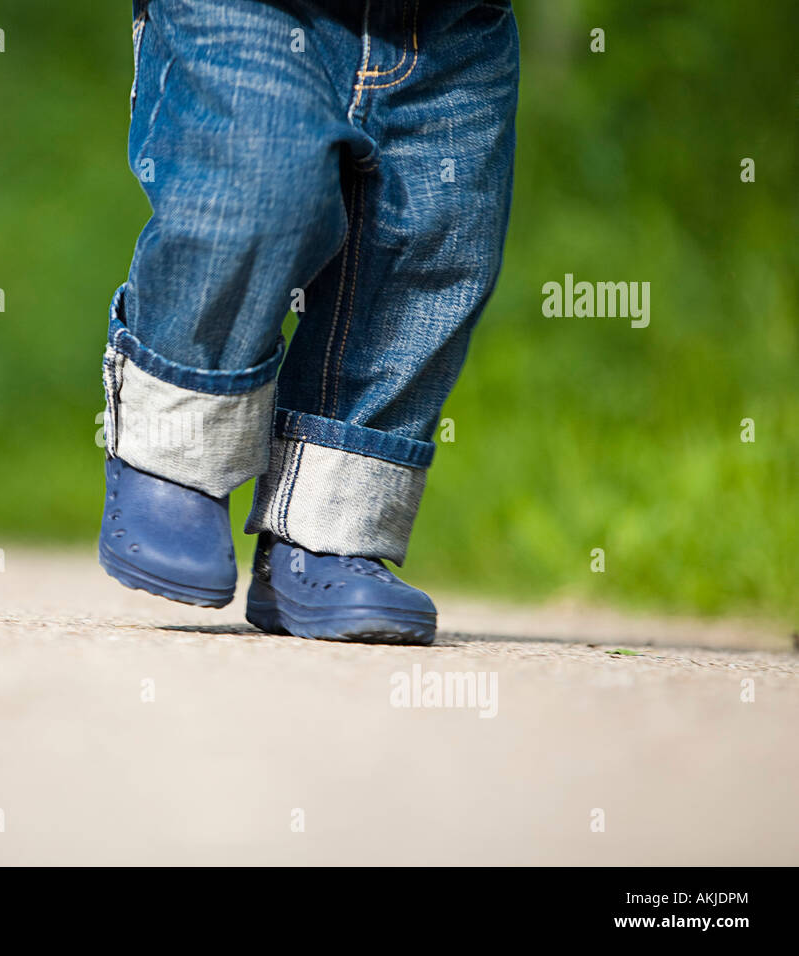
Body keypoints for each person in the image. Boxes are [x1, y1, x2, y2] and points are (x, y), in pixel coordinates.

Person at [99, 0, 519, 643]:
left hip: (453, 22)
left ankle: (327, 527)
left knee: (434, 241)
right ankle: (177, 446)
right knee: (259, 178)